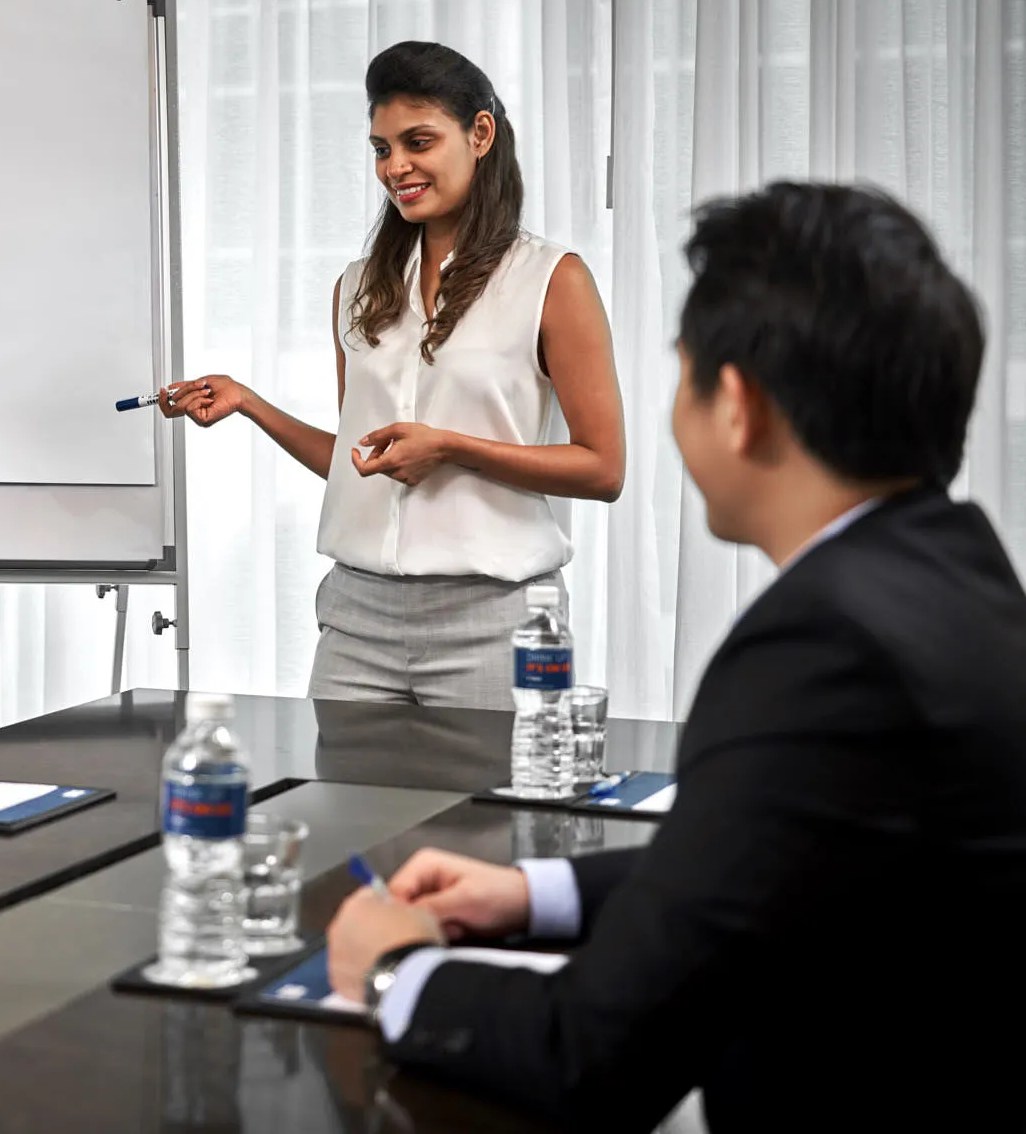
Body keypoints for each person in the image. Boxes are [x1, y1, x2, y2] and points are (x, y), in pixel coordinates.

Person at [323, 183, 1026, 1131]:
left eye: (684, 377)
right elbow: (757, 867)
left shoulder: (820, 647)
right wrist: (534, 891)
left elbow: (594, 1054)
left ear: (738, 407)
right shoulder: (961, 577)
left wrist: (396, 972)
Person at [163, 41, 624, 711]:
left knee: (486, 819)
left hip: (494, 621)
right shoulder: (356, 288)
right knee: (349, 816)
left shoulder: (553, 281)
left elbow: (603, 469)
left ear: (481, 133)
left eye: (418, 141)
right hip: (357, 619)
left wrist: (453, 448)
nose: (396, 167)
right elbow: (362, 462)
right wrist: (250, 403)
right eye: (381, 149)